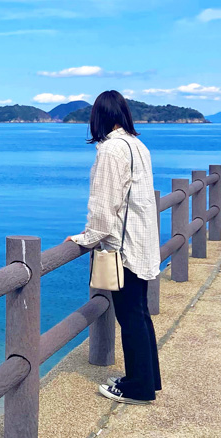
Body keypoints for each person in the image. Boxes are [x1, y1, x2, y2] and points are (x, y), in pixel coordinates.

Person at [65, 90, 162, 404]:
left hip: (124, 247)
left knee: (131, 316)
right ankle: (147, 379)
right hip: (143, 241)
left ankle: (138, 388)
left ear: (99, 118)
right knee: (140, 313)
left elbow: (105, 203)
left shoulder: (110, 150)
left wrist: (86, 237)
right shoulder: (138, 145)